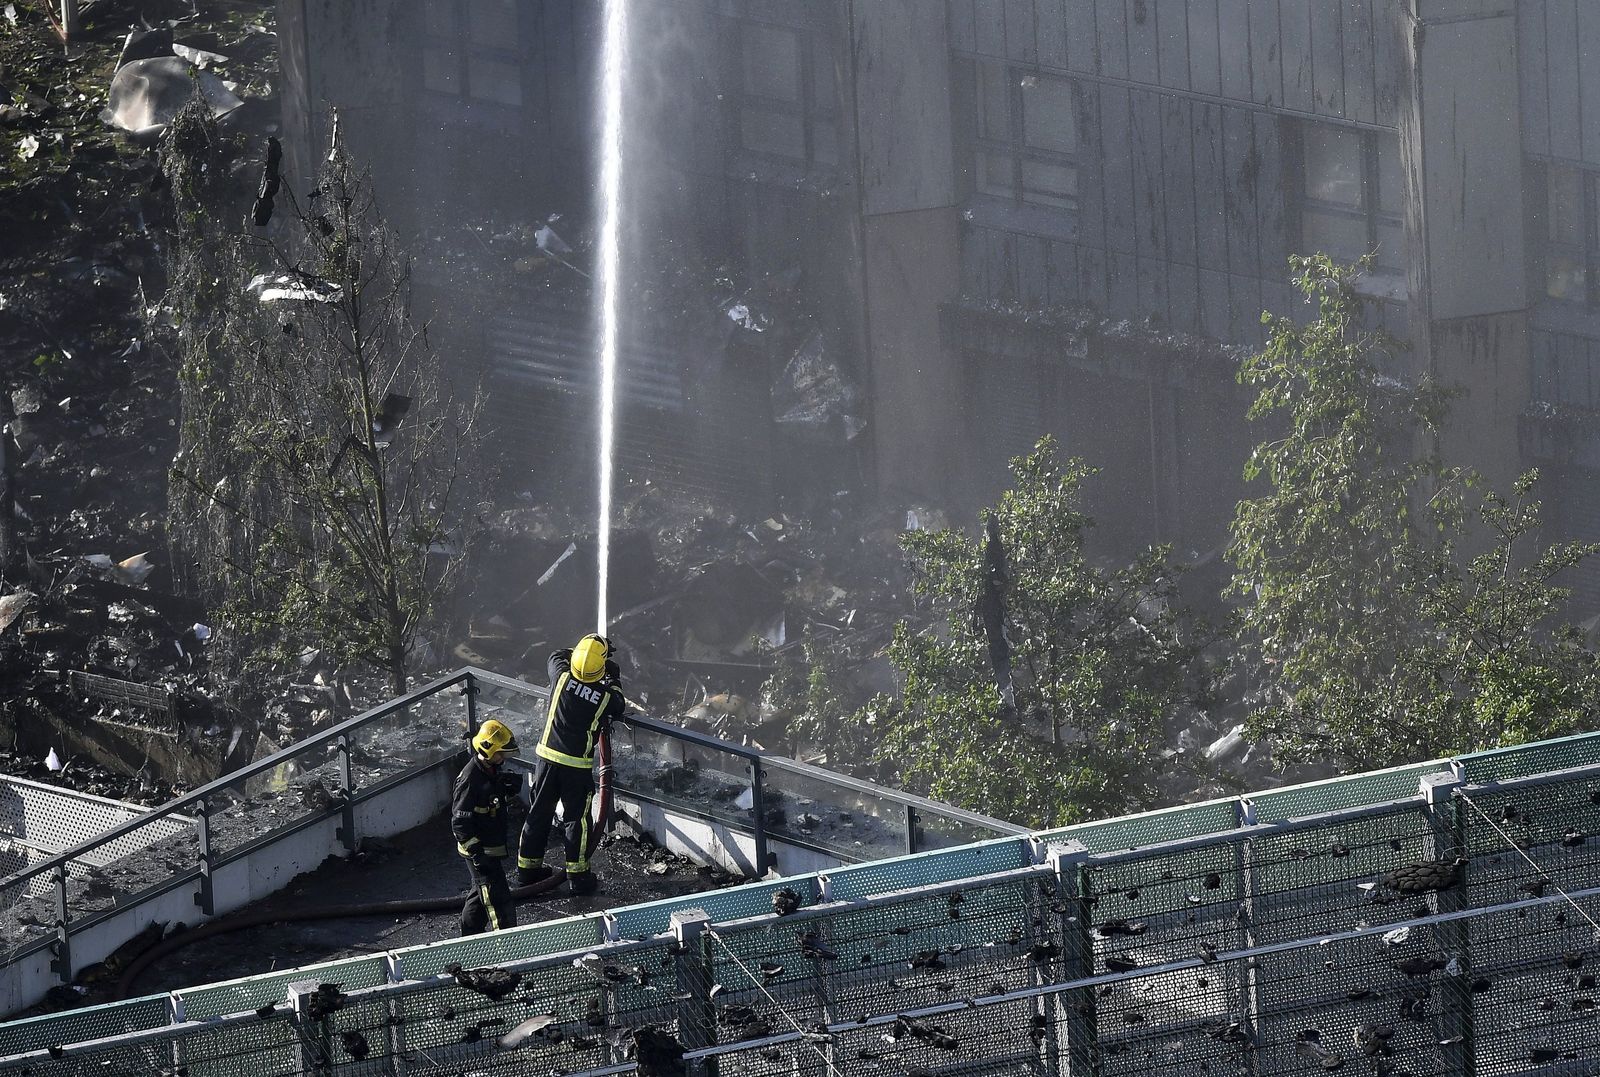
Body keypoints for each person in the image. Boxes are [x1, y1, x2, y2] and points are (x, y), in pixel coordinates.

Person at [517, 633, 625, 895]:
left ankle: (527, 871)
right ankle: (578, 877)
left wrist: (581, 650)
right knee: (577, 820)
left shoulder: (561, 676)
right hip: (575, 767)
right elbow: (619, 704)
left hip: (546, 759)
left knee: (539, 812)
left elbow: (556, 655)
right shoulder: (603, 697)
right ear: (600, 667)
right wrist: (614, 676)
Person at [453, 718, 519, 934]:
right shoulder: (470, 780)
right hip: (480, 851)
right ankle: (506, 946)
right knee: (497, 901)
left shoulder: (487, 771)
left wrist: (504, 787)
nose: (503, 758)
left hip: (489, 847)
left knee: (478, 897)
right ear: (488, 750)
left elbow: (488, 800)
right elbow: (460, 822)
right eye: (501, 754)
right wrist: (477, 854)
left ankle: (469, 937)